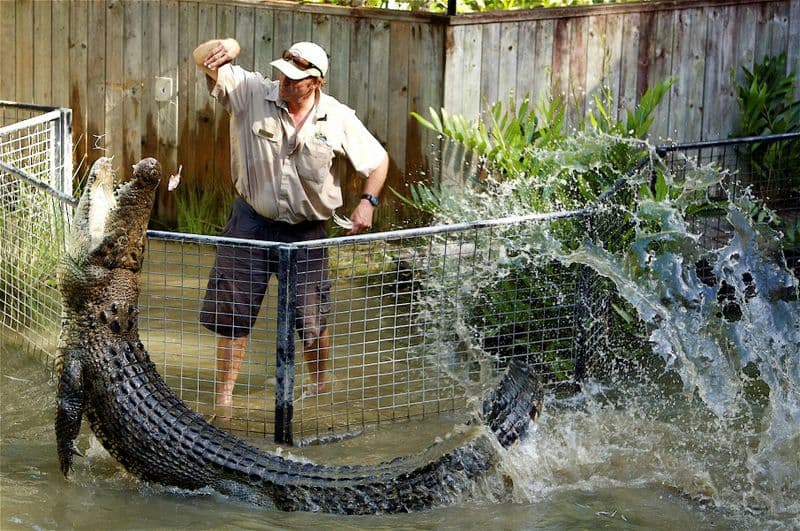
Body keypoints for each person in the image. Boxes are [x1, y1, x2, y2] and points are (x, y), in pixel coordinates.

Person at [193, 38, 389, 417]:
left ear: (315, 82)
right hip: (250, 222)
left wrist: (368, 202)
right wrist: (230, 46)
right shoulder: (250, 91)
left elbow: (377, 162)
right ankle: (224, 401)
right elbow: (201, 59)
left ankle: (319, 391)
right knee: (233, 315)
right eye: (283, 72)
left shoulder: (337, 117)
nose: (285, 81)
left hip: (306, 232)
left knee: (312, 319)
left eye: (296, 78)